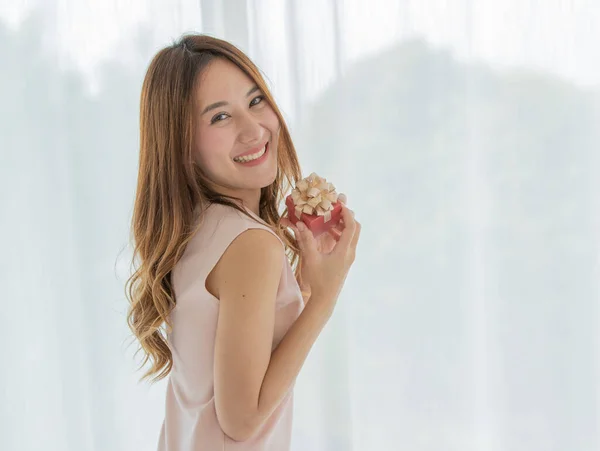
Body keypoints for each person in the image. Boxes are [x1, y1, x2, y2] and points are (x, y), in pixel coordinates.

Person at [125, 33, 361, 451]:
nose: (253, 129)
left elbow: (227, 372)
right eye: (219, 117)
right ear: (183, 145)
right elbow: (242, 419)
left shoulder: (196, 228)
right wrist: (324, 298)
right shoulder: (251, 244)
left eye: (255, 101)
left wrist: (302, 287)